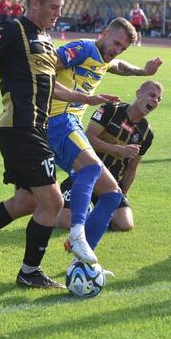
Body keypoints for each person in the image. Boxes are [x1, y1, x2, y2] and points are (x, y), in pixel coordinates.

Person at [0, 0, 115, 288]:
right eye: (53, 7)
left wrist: (86, 98)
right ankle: (29, 273)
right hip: (19, 128)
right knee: (52, 203)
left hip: (37, 129)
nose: (58, 13)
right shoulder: (10, 30)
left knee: (26, 203)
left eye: (60, 7)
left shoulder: (47, 41)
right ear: (34, 3)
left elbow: (50, 88)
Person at [0, 18, 161, 262]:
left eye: (122, 48)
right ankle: (77, 235)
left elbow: (116, 65)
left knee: (107, 195)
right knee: (91, 168)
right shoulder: (83, 48)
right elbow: (45, 73)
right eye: (115, 43)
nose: (116, 50)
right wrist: (82, 98)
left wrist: (143, 71)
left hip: (58, 127)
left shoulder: (103, 58)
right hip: (58, 120)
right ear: (103, 33)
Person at [57, 80, 162, 233]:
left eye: (158, 99)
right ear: (138, 93)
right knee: (64, 222)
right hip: (84, 176)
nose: (155, 100)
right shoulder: (111, 110)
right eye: (152, 95)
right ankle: (73, 206)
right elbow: (88, 138)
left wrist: (122, 194)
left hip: (110, 185)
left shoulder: (146, 133)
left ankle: (91, 212)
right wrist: (118, 149)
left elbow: (132, 169)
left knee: (124, 224)